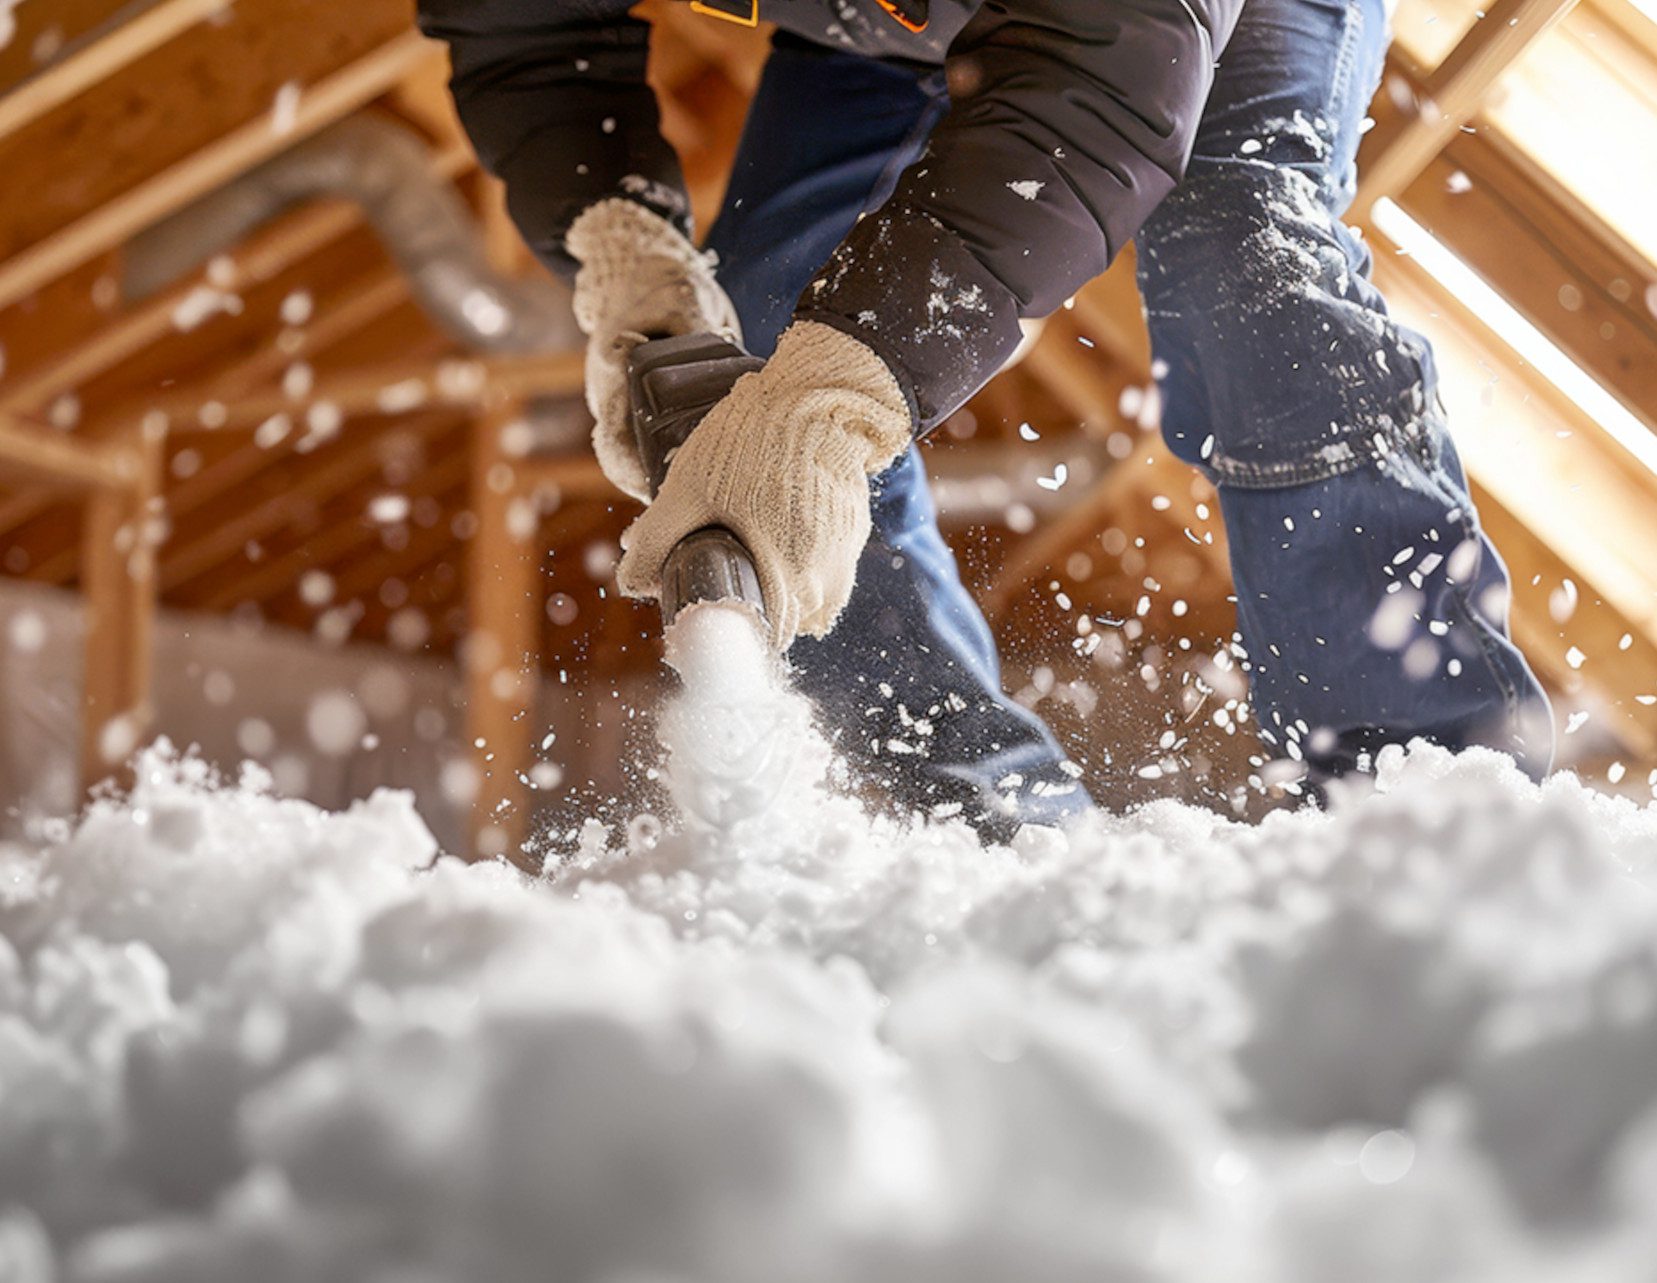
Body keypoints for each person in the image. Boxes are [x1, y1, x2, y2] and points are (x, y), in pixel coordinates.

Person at [418, 0, 1552, 838]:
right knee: (764, 327)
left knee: (1238, 250)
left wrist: (838, 399)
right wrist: (622, 236)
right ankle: (990, 814)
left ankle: (1424, 795)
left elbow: (1098, 92)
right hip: (873, 27)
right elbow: (527, 27)